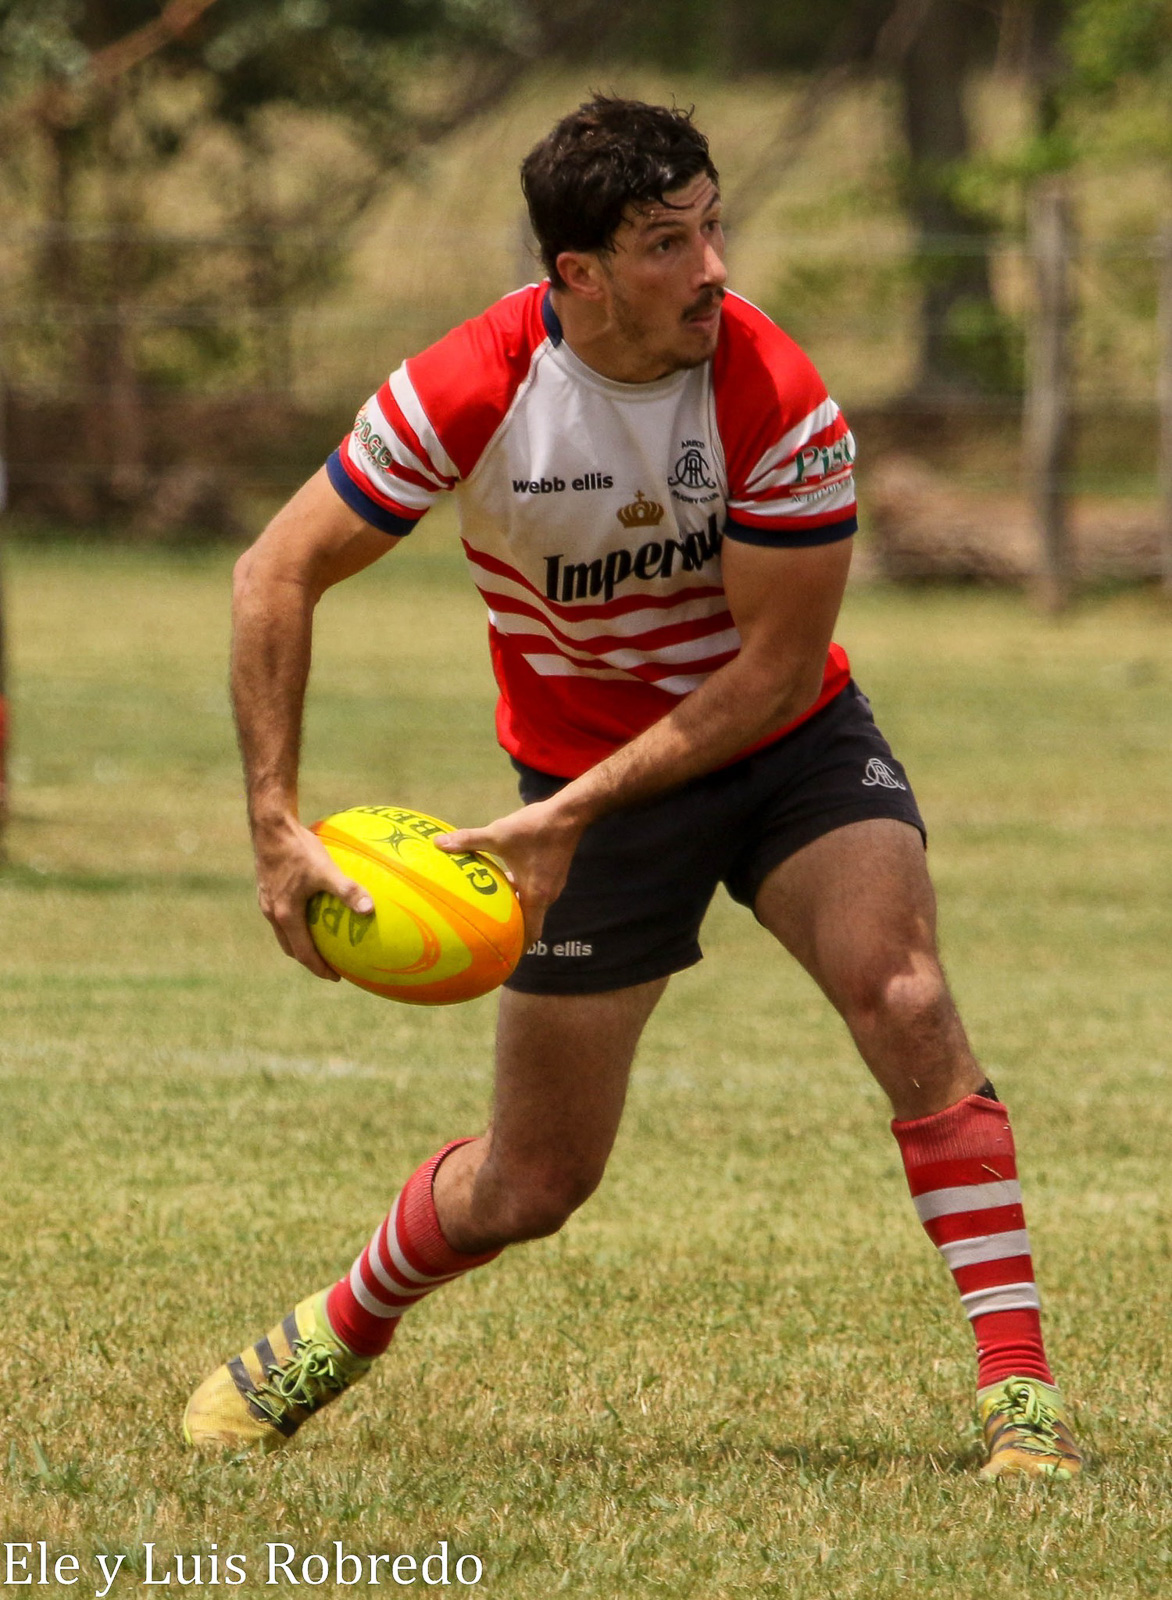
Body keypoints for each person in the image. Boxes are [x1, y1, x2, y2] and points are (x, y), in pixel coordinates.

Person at [184, 97, 1080, 1479]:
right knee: (531, 1183)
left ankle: (1020, 1396)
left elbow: (777, 674)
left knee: (904, 994)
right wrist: (274, 827)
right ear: (580, 274)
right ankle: (339, 1324)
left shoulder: (776, 396)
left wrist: (573, 812)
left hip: (784, 748)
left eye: (714, 226)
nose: (715, 268)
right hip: (575, 784)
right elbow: (274, 572)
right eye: (669, 243)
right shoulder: (472, 386)